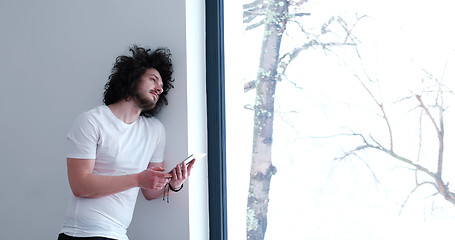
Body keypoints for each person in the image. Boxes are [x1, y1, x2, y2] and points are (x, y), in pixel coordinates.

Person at [58, 45, 194, 240]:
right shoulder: (92, 121)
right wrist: (138, 179)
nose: (159, 88)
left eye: (162, 85)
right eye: (153, 79)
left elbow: (149, 190)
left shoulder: (155, 131)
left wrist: (173, 183)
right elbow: (80, 185)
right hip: (81, 234)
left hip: (119, 235)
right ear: (133, 78)